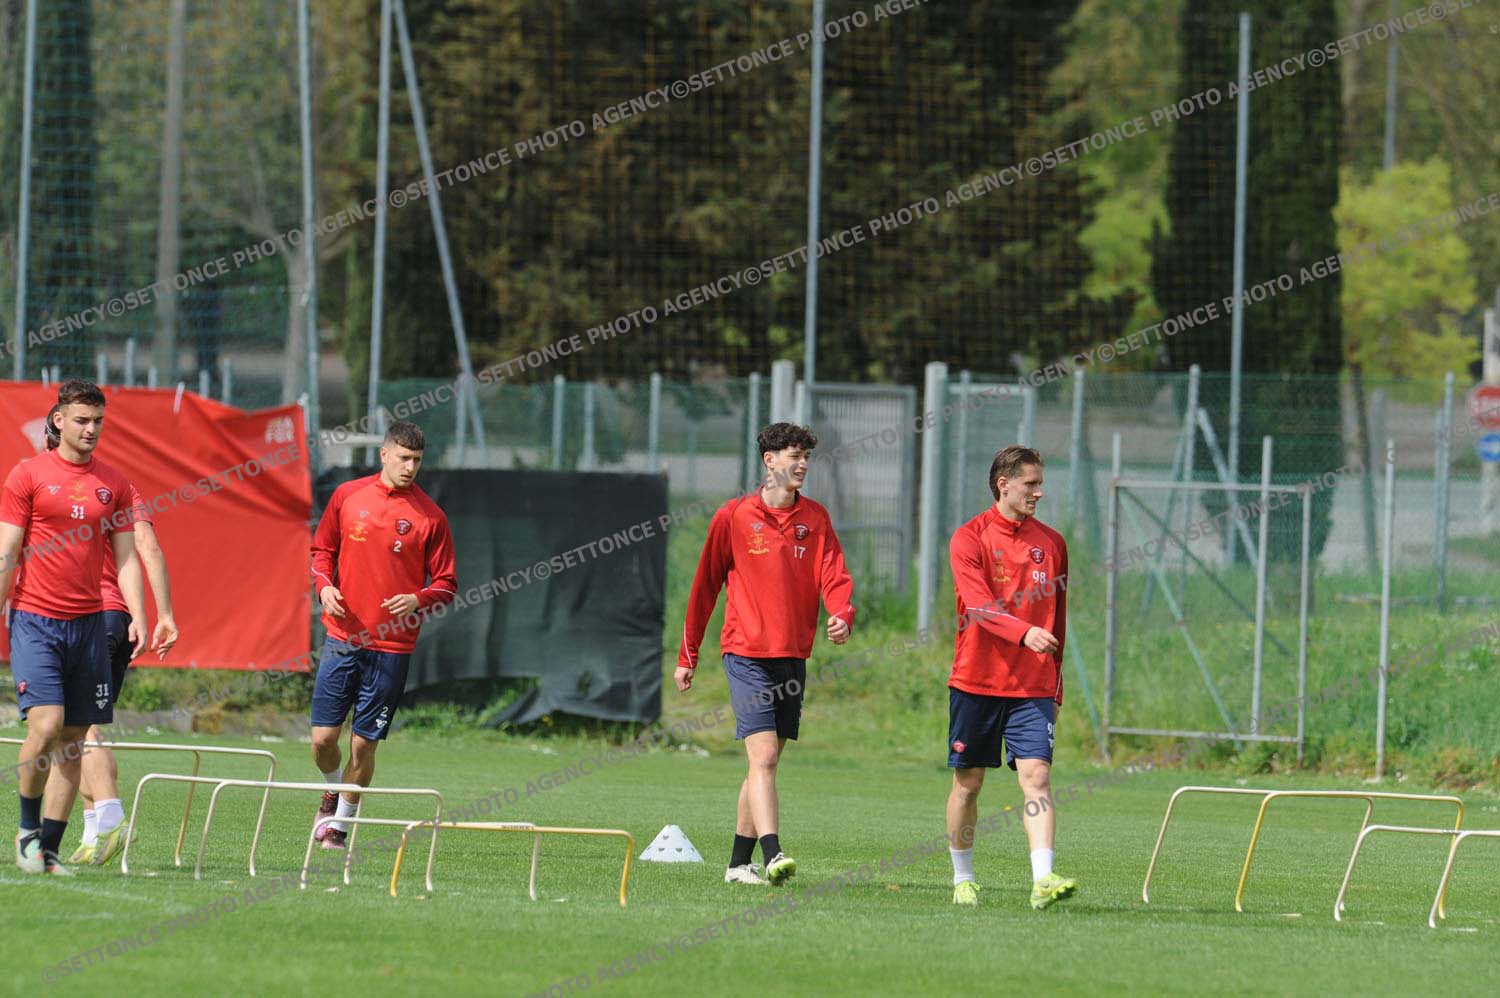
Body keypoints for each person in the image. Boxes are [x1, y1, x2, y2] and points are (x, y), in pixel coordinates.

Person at [676, 422, 855, 887]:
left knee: (763, 764)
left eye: (807, 457)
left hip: (792, 656)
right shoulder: (733, 516)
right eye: (794, 455)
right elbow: (704, 588)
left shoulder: (815, 518)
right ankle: (773, 852)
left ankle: (738, 865)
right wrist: (687, 655)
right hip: (746, 654)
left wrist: (842, 613)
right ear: (769, 460)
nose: (803, 464)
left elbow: (834, 575)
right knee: (765, 758)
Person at [0, 381, 147, 875]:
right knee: (45, 725)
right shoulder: (28, 475)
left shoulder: (114, 484)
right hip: (35, 619)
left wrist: (138, 614)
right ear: (59, 420)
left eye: (98, 421)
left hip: (89, 625)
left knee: (73, 738)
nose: (91, 429)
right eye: (82, 420)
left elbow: (126, 558)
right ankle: (27, 831)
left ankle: (49, 851)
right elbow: (8, 551)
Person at [34, 406, 179, 865]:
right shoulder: (116, 486)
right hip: (111, 617)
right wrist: (163, 614)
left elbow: (145, 548)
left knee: (78, 727)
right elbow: (149, 546)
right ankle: (93, 831)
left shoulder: (75, 488)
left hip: (87, 617)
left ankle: (111, 815)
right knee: (78, 729)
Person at [309, 421, 455, 849]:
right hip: (342, 639)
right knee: (322, 742)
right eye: (404, 458)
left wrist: (417, 599)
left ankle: (339, 827)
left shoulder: (430, 516)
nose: (410, 467)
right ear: (384, 454)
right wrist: (325, 588)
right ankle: (332, 790)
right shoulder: (347, 496)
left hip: (392, 648)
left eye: (417, 460)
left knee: (363, 746)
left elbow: (447, 584)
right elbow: (322, 552)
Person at [944, 444, 1076, 910]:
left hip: (1033, 684)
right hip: (976, 681)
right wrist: (1024, 633)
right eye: (1030, 484)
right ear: (1004, 484)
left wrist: (1056, 681)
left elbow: (1058, 619)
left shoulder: (1053, 543)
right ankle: (963, 877)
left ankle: (1043, 879)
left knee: (1037, 777)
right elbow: (979, 606)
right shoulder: (969, 538)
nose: (1039, 492)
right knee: (969, 784)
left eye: (1041, 484)